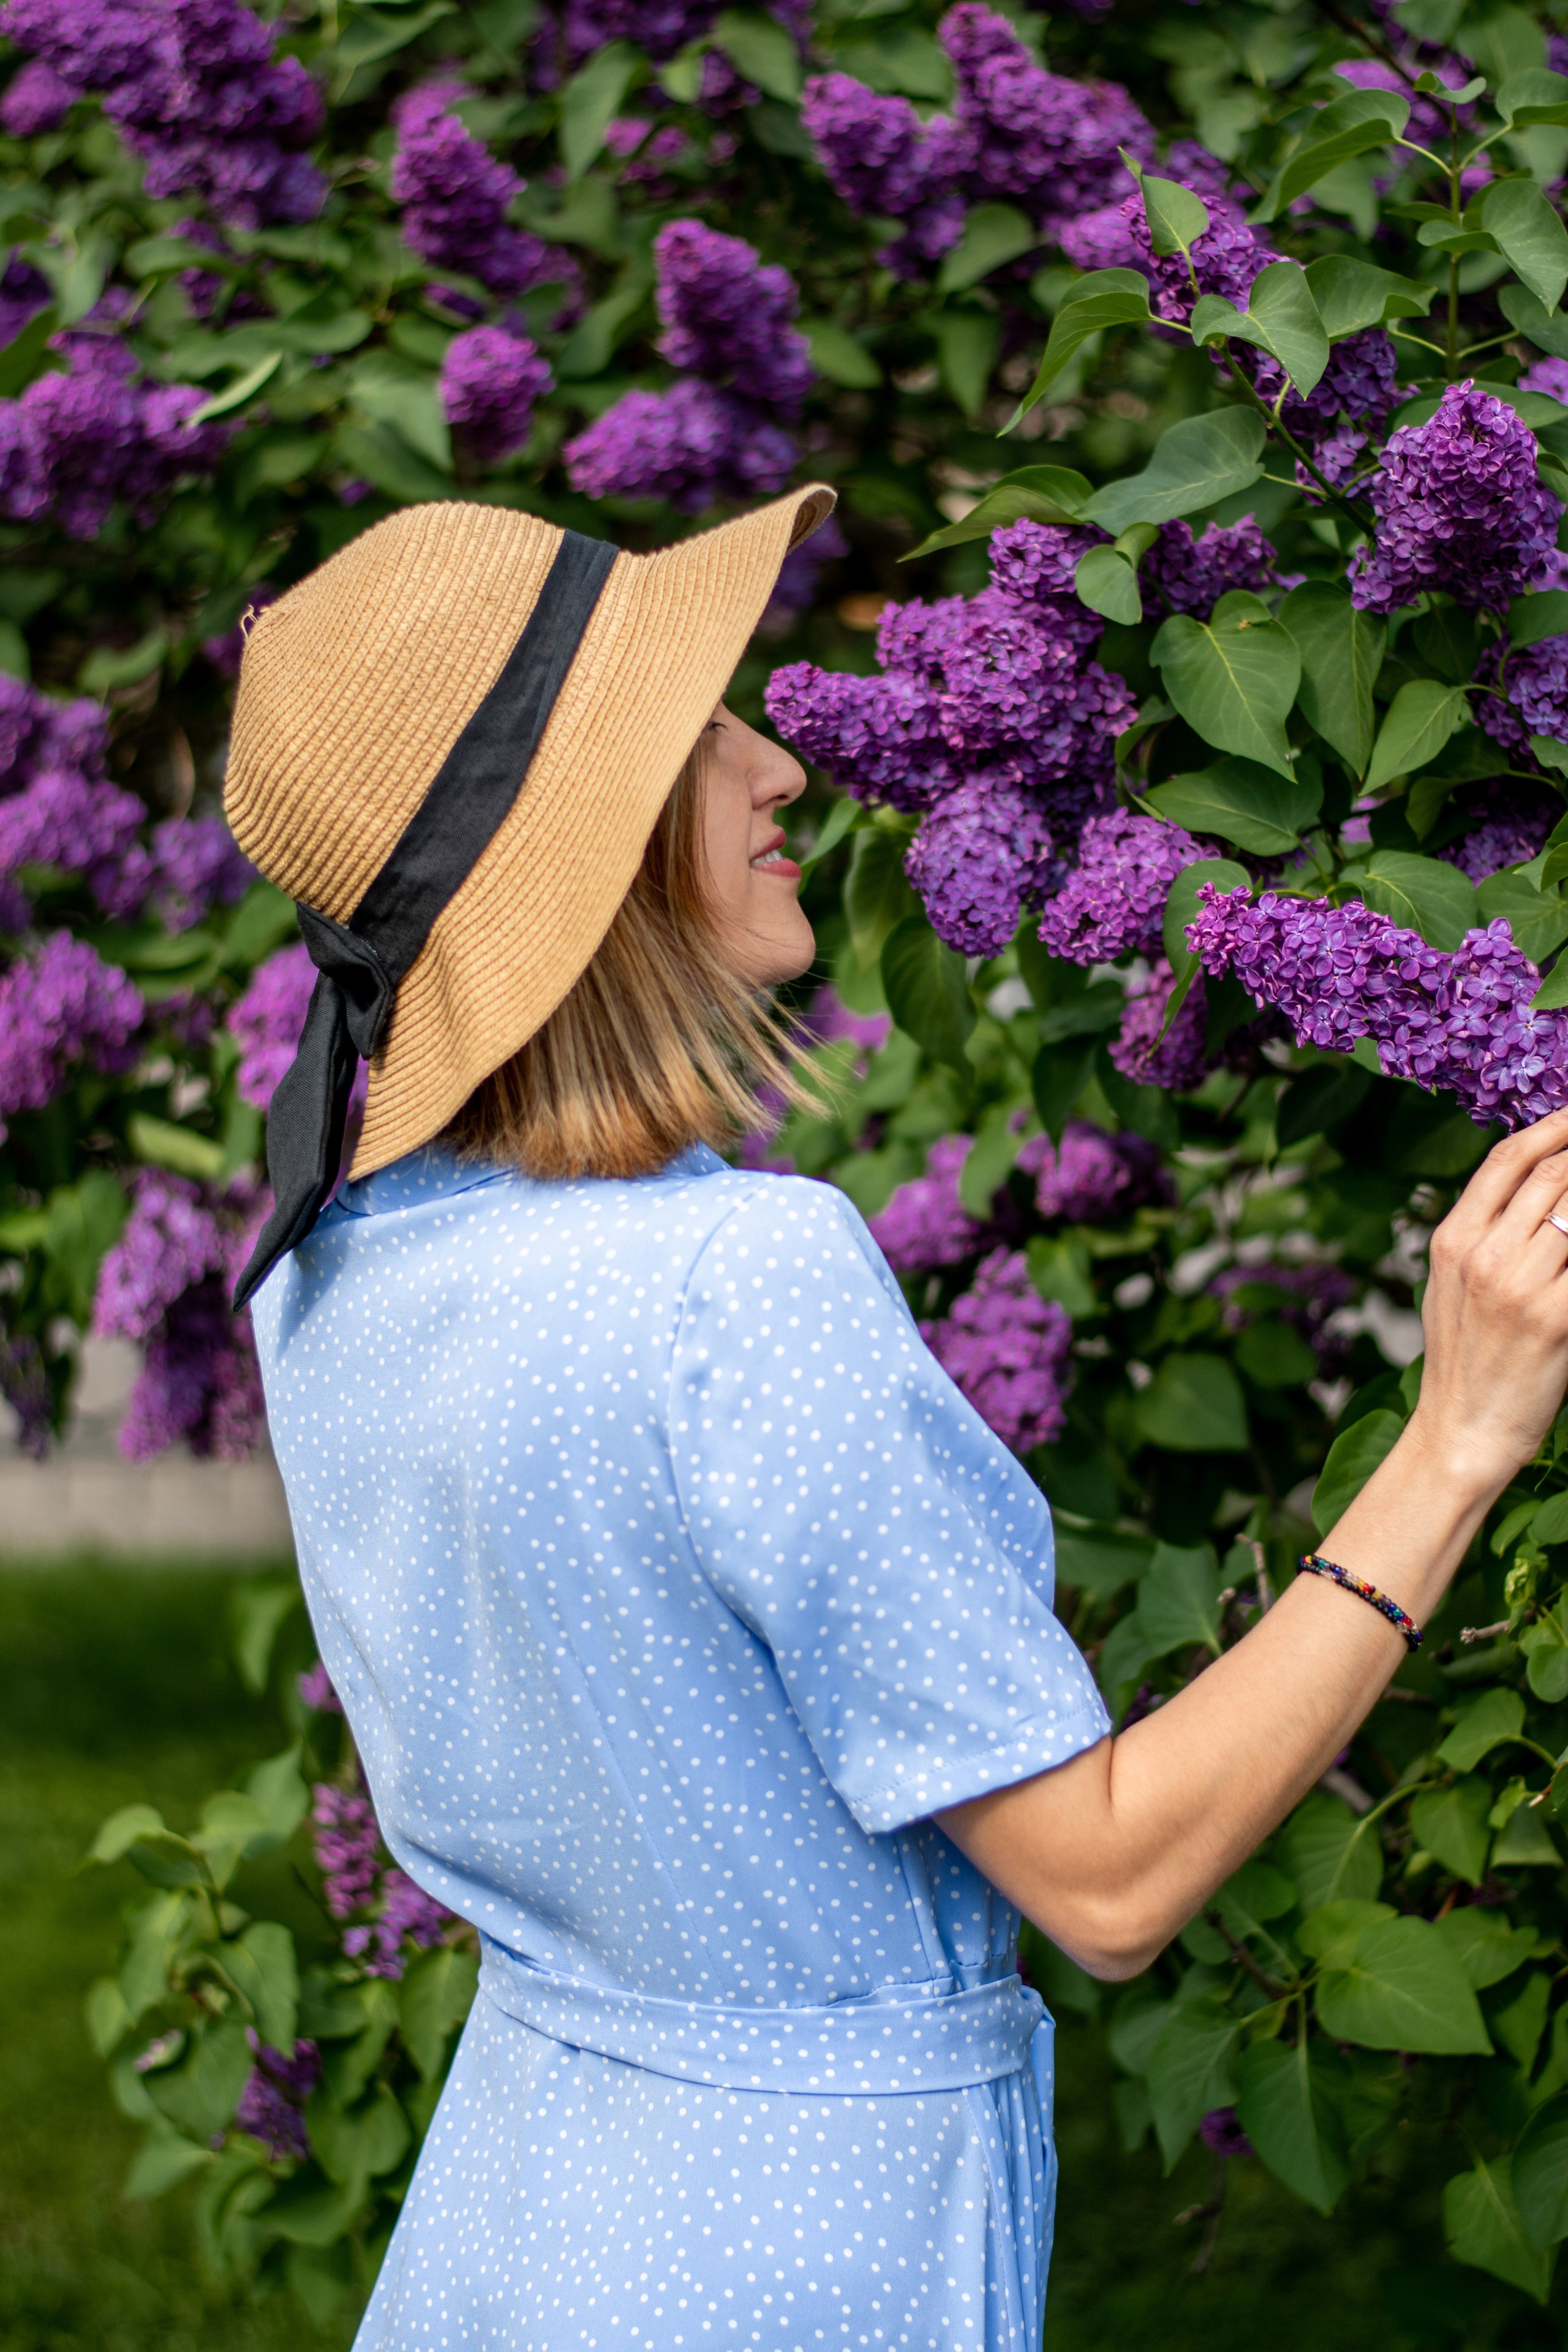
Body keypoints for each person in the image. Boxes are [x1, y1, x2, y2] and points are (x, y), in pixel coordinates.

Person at [229, 484, 1568, 2352]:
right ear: (588, 839)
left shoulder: (326, 1271)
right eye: (699, 735)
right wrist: (1458, 1439)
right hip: (788, 2272)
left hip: (516, 2229)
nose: (778, 765)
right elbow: (1108, 1877)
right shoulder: (732, 1287)